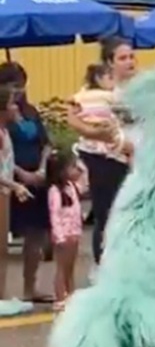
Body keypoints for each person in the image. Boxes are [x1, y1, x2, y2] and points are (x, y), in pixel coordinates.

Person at [66, 37, 136, 267]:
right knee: (108, 215)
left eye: (131, 56)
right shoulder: (95, 91)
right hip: (105, 159)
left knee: (133, 217)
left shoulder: (141, 87)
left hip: (136, 158)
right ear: (110, 63)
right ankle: (104, 270)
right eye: (123, 58)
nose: (130, 62)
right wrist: (100, 135)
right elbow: (74, 118)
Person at [0, 62, 52, 304]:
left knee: (36, 235)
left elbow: (46, 142)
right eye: (14, 86)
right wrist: (21, 175)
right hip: (12, 180)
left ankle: (30, 287)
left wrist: (41, 168)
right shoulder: (4, 116)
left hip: (37, 178)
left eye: (22, 85)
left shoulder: (31, 111)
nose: (19, 91)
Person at [0, 85, 33, 314]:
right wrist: (14, 184)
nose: (15, 108)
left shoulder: (4, 131)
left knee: (2, 248)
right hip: (2, 191)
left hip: (5, 190)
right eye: (12, 103)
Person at [72, 63, 133, 164]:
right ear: (98, 79)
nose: (114, 82)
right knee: (129, 148)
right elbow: (124, 106)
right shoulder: (108, 95)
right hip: (107, 134)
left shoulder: (83, 94)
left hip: (88, 141)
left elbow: (73, 101)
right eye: (110, 78)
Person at [46, 150, 84, 311]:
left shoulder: (72, 187)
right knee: (62, 267)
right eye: (72, 167)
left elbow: (85, 180)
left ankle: (71, 294)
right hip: (63, 235)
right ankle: (60, 297)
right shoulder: (55, 191)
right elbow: (54, 215)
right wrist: (59, 236)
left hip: (74, 233)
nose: (76, 170)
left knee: (70, 267)